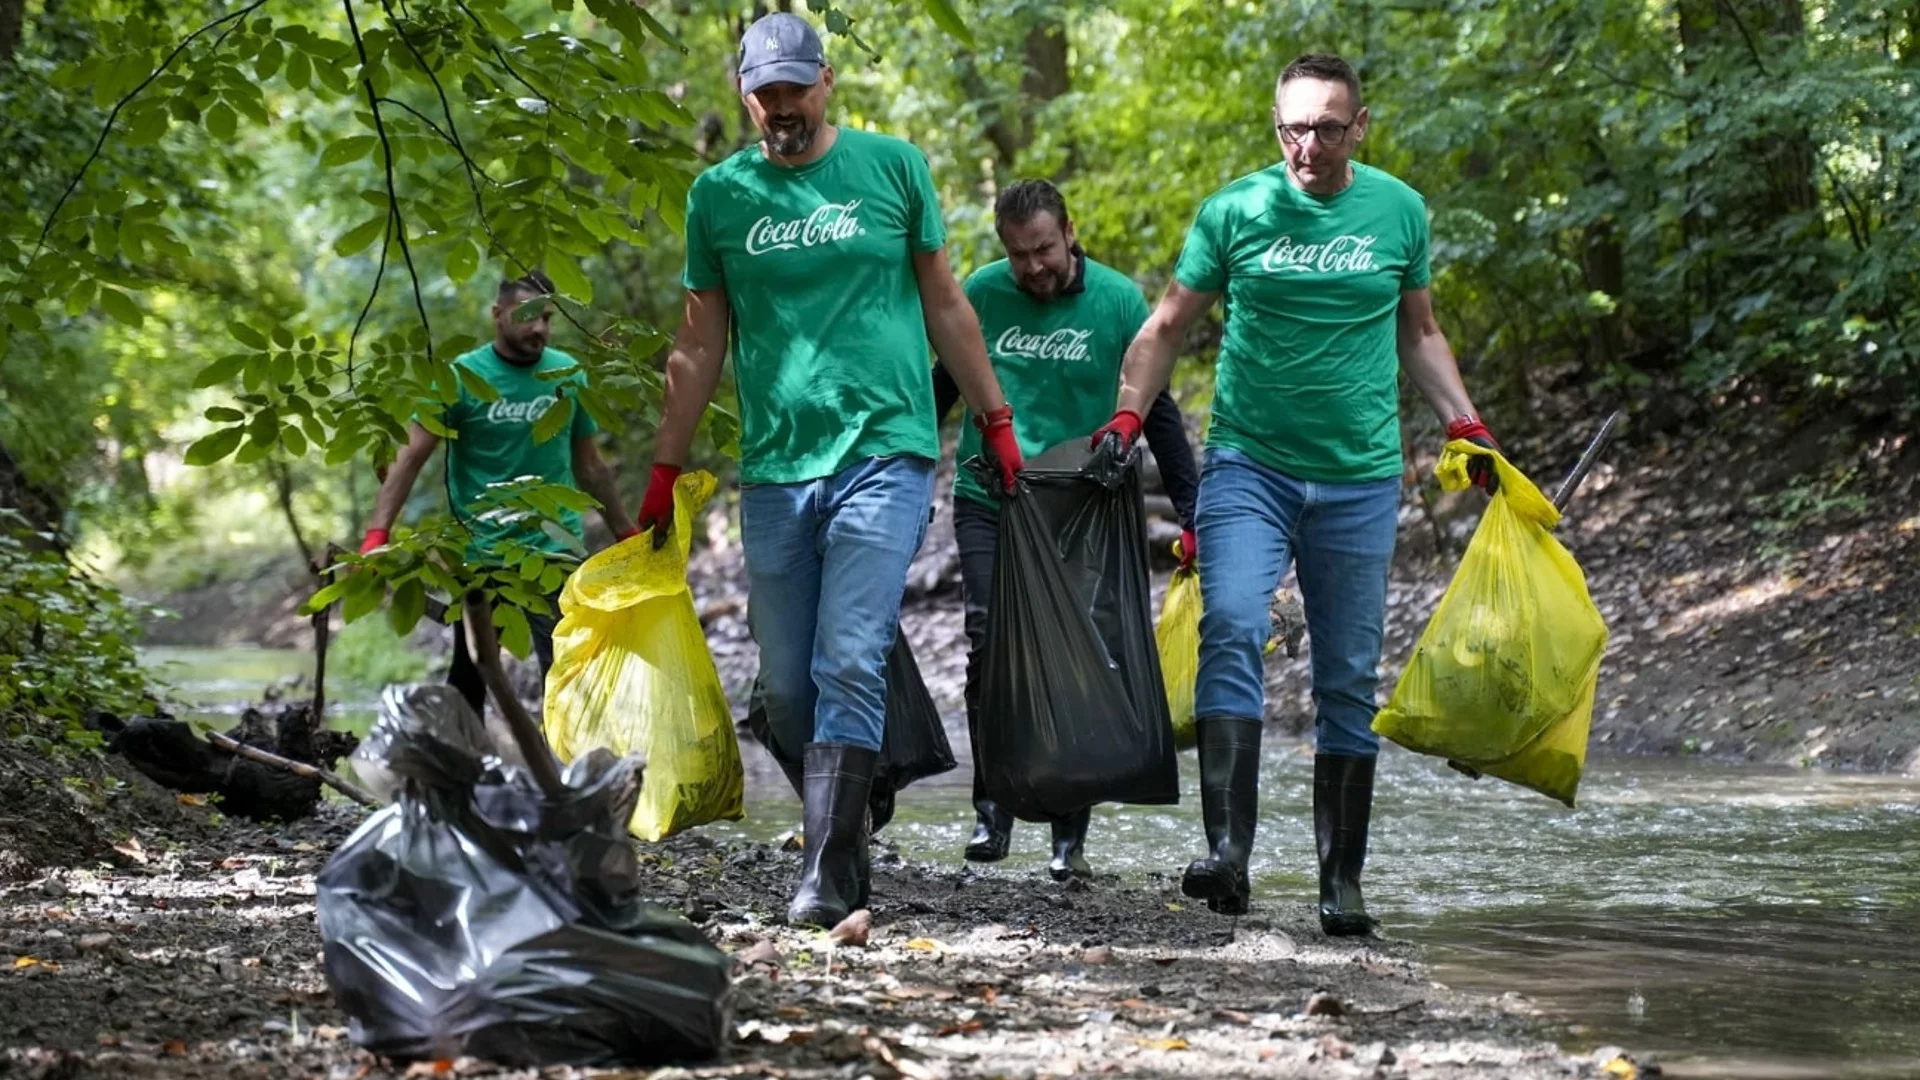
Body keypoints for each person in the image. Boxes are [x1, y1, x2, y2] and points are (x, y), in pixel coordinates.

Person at [1092, 54, 1501, 935]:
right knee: (1232, 622)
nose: (1305, 144)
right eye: (1291, 126)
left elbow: (1420, 331)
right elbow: (1165, 326)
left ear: (1361, 126)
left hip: (1358, 477)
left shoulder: (1398, 210)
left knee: (1348, 679)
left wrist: (1465, 423)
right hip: (1250, 463)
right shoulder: (1235, 210)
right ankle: (1228, 857)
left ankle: (1339, 884)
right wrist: (1128, 421)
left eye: (1324, 126)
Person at [635, 12, 1022, 930]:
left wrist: (996, 418)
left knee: (850, 650)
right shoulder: (720, 197)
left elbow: (945, 301)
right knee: (783, 682)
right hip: (774, 466)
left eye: (796, 90)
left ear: (827, 81)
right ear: (744, 94)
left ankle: (822, 869)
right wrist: (663, 466)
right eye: (766, 94)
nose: (782, 109)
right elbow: (699, 340)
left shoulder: (892, 167)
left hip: (886, 449)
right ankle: (847, 828)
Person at [932, 179, 1200, 880]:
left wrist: (1194, 514)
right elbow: (941, 386)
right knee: (991, 644)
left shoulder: (1115, 303)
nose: (1034, 267)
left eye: (1044, 249)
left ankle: (1066, 835)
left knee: (1079, 656)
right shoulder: (982, 295)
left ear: (1070, 233)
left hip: (1083, 506)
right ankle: (992, 807)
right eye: (1019, 254)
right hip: (992, 496)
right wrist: (898, 474)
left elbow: (1158, 411)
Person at [359, 269, 636, 717]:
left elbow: (590, 465)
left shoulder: (568, 374)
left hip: (556, 549)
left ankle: (574, 777)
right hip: (481, 553)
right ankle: (466, 774)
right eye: (528, 316)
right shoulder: (461, 376)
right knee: (471, 673)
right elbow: (410, 458)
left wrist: (626, 531)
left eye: (547, 317)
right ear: (497, 314)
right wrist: (377, 536)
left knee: (570, 676)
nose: (540, 328)